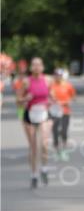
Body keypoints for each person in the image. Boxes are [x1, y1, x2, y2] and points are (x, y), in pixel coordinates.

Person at [18, 56, 52, 188]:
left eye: (39, 65)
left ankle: (44, 169)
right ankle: (34, 175)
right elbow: (18, 100)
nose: (37, 67)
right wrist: (25, 98)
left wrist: (51, 101)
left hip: (44, 113)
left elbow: (51, 96)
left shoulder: (48, 80)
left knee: (44, 144)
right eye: (34, 65)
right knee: (33, 147)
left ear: (42, 67)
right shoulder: (26, 82)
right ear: (31, 67)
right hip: (30, 115)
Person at [49, 68, 76, 161]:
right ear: (54, 76)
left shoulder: (68, 85)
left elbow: (73, 98)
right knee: (55, 131)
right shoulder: (51, 86)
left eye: (60, 75)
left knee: (64, 131)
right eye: (56, 75)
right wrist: (52, 101)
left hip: (65, 111)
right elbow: (47, 97)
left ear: (62, 76)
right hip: (54, 112)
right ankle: (57, 151)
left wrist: (66, 102)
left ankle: (64, 150)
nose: (58, 77)